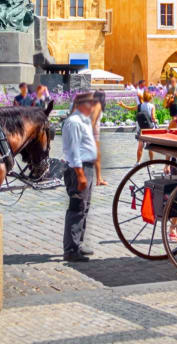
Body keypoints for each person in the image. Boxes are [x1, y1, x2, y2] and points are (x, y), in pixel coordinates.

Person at [61, 92, 100, 261]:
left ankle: (78, 244)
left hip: (87, 167)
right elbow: (73, 151)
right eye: (88, 104)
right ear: (79, 105)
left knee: (84, 207)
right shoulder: (74, 122)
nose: (91, 107)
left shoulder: (83, 121)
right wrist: (80, 174)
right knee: (77, 207)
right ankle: (71, 250)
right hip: (79, 169)